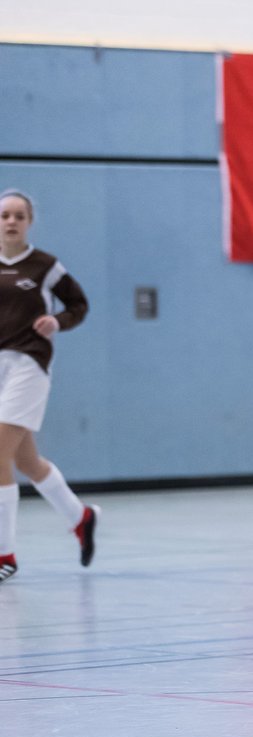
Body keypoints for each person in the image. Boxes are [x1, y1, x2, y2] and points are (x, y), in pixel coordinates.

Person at [0, 189, 99, 583]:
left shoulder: (45, 266)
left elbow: (79, 305)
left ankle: (5, 554)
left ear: (29, 222)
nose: (10, 222)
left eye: (18, 216)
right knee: (26, 462)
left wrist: (58, 321)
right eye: (5, 215)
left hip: (29, 364)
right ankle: (81, 517)